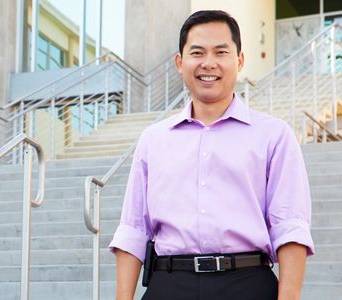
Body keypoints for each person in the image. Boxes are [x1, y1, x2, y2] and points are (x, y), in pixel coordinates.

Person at [109, 10, 314, 300]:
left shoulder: (274, 135)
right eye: (197, 52)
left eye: (221, 52)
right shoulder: (153, 140)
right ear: (180, 63)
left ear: (239, 60)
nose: (209, 63)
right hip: (169, 284)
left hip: (248, 284)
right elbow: (133, 228)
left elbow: (290, 226)